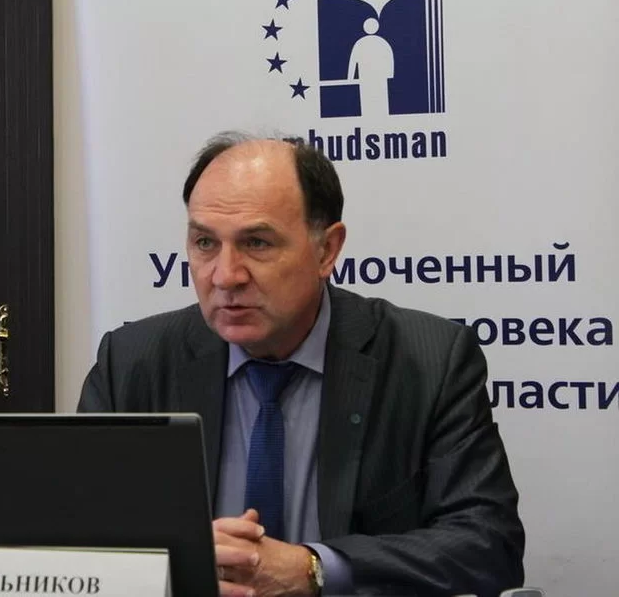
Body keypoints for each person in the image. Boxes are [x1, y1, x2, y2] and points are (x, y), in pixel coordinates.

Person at [77, 132, 525, 596]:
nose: (226, 276)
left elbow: (489, 546)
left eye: (257, 243)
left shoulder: (428, 361)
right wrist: (173, 570)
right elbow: (71, 541)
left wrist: (314, 569)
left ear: (327, 250)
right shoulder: (132, 362)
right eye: (205, 242)